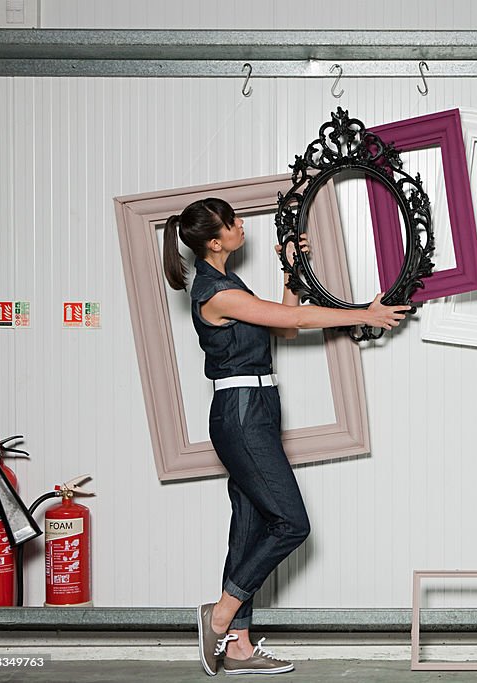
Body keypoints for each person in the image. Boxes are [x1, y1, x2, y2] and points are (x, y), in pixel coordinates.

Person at [161, 197, 409, 677]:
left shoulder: (229, 283)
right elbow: (296, 321)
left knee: (251, 522)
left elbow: (284, 326)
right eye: (232, 223)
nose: (240, 226)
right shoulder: (214, 292)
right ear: (215, 242)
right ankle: (218, 615)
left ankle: (237, 647)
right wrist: (365, 314)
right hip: (240, 413)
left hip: (258, 408)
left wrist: (291, 271)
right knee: (292, 524)